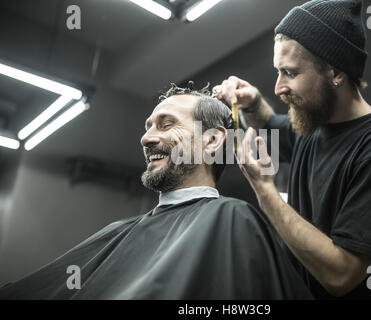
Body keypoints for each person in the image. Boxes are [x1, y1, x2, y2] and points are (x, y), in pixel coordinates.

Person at [0, 83, 312, 300]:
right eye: (148, 126)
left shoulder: (232, 220)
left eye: (165, 124)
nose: (146, 138)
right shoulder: (117, 232)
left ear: (213, 141)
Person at [214, 0, 371, 299]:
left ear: (335, 72)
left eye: (290, 73)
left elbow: (342, 274)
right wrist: (253, 101)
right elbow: (270, 124)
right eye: (278, 71)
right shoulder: (313, 127)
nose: (278, 87)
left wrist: (265, 191)